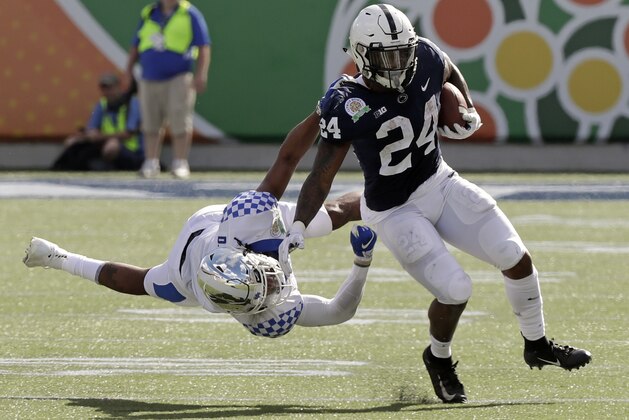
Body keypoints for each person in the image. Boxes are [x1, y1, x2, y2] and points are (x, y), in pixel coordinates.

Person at [277, 4, 592, 403]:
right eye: (386, 57)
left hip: (438, 182)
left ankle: (538, 343)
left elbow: (447, 69)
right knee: (457, 288)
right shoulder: (347, 101)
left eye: (402, 52)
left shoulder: (422, 54)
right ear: (360, 55)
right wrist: (300, 226)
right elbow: (322, 174)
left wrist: (466, 103)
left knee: (516, 256)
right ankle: (438, 357)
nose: (398, 63)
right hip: (394, 210)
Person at [22, 187, 377, 337]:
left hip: (211, 227)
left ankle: (393, 193)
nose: (274, 281)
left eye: (264, 277)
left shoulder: (247, 231)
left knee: (331, 214)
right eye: (267, 287)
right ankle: (58, 257)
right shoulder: (269, 315)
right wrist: (362, 263)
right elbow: (336, 312)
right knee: (148, 284)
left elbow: (282, 166)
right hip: (192, 266)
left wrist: (319, 117)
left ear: (248, 258)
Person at [125, 0, 211, 179]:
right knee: (150, 121)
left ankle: (180, 162)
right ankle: (150, 162)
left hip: (179, 76)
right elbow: (136, 42)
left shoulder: (190, 13)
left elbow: (203, 46)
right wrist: (128, 68)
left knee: (179, 118)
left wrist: (201, 74)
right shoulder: (148, 12)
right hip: (149, 76)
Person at [52, 73, 144, 171]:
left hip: (132, 150)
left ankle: (111, 169)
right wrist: (83, 137)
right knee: (72, 142)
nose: (107, 92)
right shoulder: (102, 104)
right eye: (104, 89)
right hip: (105, 143)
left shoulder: (133, 103)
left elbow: (128, 134)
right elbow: (92, 129)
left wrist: (99, 136)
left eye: (110, 88)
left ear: (119, 87)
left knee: (112, 146)